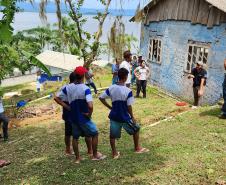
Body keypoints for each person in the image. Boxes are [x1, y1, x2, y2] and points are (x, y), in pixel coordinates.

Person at [99, 68, 149, 159]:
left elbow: (101, 98)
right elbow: (129, 106)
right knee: (136, 129)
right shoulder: (128, 91)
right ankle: (137, 148)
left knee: (112, 136)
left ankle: (114, 153)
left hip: (114, 116)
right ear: (126, 77)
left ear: (118, 76)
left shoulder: (111, 88)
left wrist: (110, 107)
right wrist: (132, 117)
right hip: (124, 117)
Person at [59, 66, 106, 163]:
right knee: (95, 133)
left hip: (73, 117)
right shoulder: (85, 88)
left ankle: (77, 158)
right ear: (83, 76)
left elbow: (57, 98)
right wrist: (89, 115)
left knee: (75, 137)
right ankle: (95, 154)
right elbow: (90, 105)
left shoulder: (68, 87)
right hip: (83, 118)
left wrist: (68, 107)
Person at [54, 72, 92, 156]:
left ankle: (89, 150)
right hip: (71, 114)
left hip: (75, 113)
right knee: (73, 133)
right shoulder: (67, 88)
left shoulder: (73, 87)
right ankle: (69, 149)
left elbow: (56, 98)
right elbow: (56, 98)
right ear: (76, 79)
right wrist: (67, 107)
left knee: (74, 133)